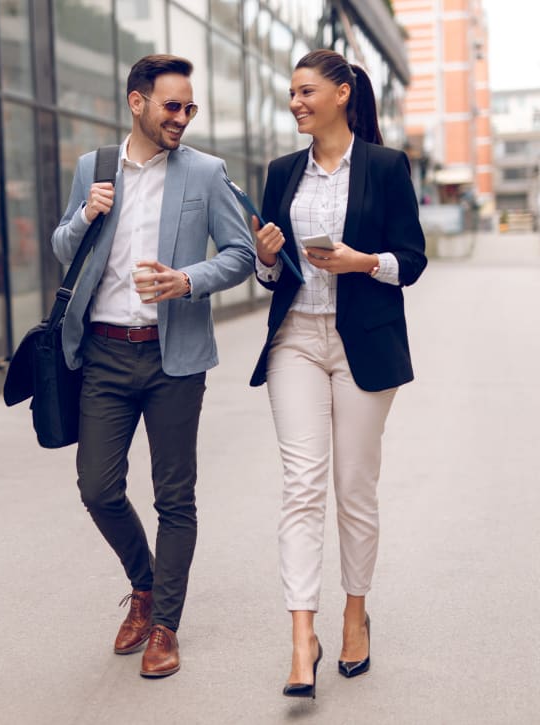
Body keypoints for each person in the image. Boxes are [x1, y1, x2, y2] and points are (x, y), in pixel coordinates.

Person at [52, 54, 255, 678]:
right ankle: (143, 585)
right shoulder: (95, 167)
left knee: (175, 497)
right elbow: (64, 249)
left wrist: (186, 280)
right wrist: (86, 214)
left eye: (189, 107)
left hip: (174, 359)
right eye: (173, 106)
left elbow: (242, 253)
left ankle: (165, 624)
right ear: (137, 102)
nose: (183, 118)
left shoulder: (205, 172)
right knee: (97, 488)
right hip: (105, 354)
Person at [249, 49, 427, 698]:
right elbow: (271, 276)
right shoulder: (280, 172)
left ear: (342, 93)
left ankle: (355, 613)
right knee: (302, 486)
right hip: (295, 337)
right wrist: (266, 259)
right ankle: (302, 637)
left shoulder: (385, 167)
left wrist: (361, 262)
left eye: (306, 91)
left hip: (363, 346)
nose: (296, 102)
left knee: (354, 487)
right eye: (291, 93)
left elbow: (412, 260)